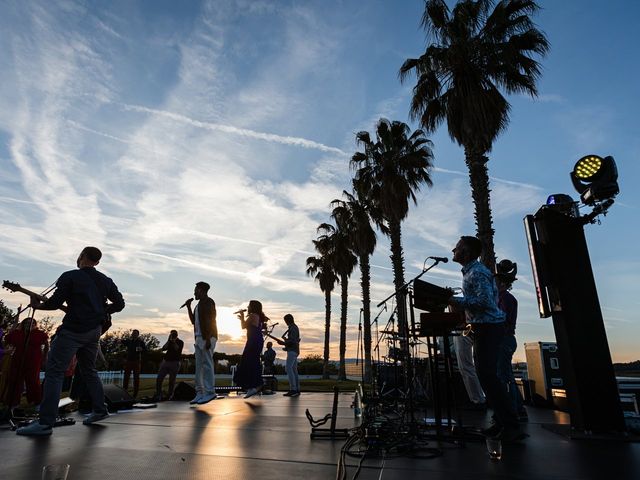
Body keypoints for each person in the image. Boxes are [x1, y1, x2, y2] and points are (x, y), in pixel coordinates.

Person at [17, 246, 124, 436]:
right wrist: (102, 311)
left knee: (55, 372)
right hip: (93, 332)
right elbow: (120, 304)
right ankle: (100, 410)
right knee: (89, 370)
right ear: (97, 262)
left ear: (81, 256)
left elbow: (55, 302)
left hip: (73, 330)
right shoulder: (106, 281)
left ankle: (45, 423)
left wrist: (38, 306)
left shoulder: (70, 276)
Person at [448, 236, 523, 442]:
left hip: (490, 328)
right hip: (484, 329)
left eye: (458, 247)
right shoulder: (471, 272)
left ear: (468, 253)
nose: (453, 250)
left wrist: (452, 300)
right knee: (487, 377)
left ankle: (511, 426)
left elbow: (483, 302)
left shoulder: (477, 272)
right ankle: (501, 422)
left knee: (489, 376)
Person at [495, 260, 527, 421]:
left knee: (503, 376)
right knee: (507, 375)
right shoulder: (504, 297)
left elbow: (501, 319)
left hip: (504, 340)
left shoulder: (506, 299)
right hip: (505, 340)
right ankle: (518, 410)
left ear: (500, 281)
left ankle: (511, 412)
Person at [184, 281, 218, 405]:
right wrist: (188, 306)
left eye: (196, 290)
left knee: (207, 364)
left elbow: (211, 320)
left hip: (207, 337)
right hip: (198, 337)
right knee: (199, 367)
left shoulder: (208, 302)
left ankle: (210, 392)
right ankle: (200, 392)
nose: (194, 293)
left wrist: (208, 338)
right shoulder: (198, 305)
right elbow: (194, 321)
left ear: (202, 290)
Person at [3, 318, 49, 408]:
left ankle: (36, 402)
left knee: (33, 380)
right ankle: (13, 403)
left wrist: (44, 357)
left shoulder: (39, 334)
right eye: (27, 323)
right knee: (15, 380)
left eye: (32, 323)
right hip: (18, 359)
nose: (29, 324)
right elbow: (7, 340)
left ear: (35, 325)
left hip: (34, 360)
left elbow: (46, 345)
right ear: (23, 324)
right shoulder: (17, 333)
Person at [234, 300, 266, 398]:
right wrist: (242, 318)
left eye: (249, 306)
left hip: (253, 341)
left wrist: (242, 316)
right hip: (256, 340)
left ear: (252, 307)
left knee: (247, 362)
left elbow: (243, 327)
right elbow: (246, 326)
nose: (247, 307)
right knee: (252, 362)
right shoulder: (258, 316)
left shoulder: (252, 315)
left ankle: (255, 386)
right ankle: (254, 386)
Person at [272, 314, 300, 397]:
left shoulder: (293, 328)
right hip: (293, 350)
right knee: (294, 370)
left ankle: (293, 389)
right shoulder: (293, 327)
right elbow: (293, 340)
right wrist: (285, 344)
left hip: (292, 351)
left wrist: (283, 343)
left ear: (287, 320)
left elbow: (292, 341)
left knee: (288, 368)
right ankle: (296, 389)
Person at [155, 329, 184, 401]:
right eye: (171, 334)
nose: (173, 335)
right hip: (166, 362)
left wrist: (174, 342)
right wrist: (168, 340)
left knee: (172, 380)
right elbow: (163, 348)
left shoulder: (180, 342)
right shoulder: (169, 341)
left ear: (177, 335)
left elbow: (177, 349)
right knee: (159, 378)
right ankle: (159, 394)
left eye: (174, 334)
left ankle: (170, 395)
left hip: (175, 362)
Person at [122, 329, 146, 399]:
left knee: (136, 378)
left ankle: (135, 395)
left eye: (135, 333)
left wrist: (141, 349)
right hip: (128, 361)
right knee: (126, 377)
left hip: (136, 361)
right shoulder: (129, 341)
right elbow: (122, 342)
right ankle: (124, 392)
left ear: (138, 334)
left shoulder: (140, 342)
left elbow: (145, 350)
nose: (133, 334)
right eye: (133, 333)